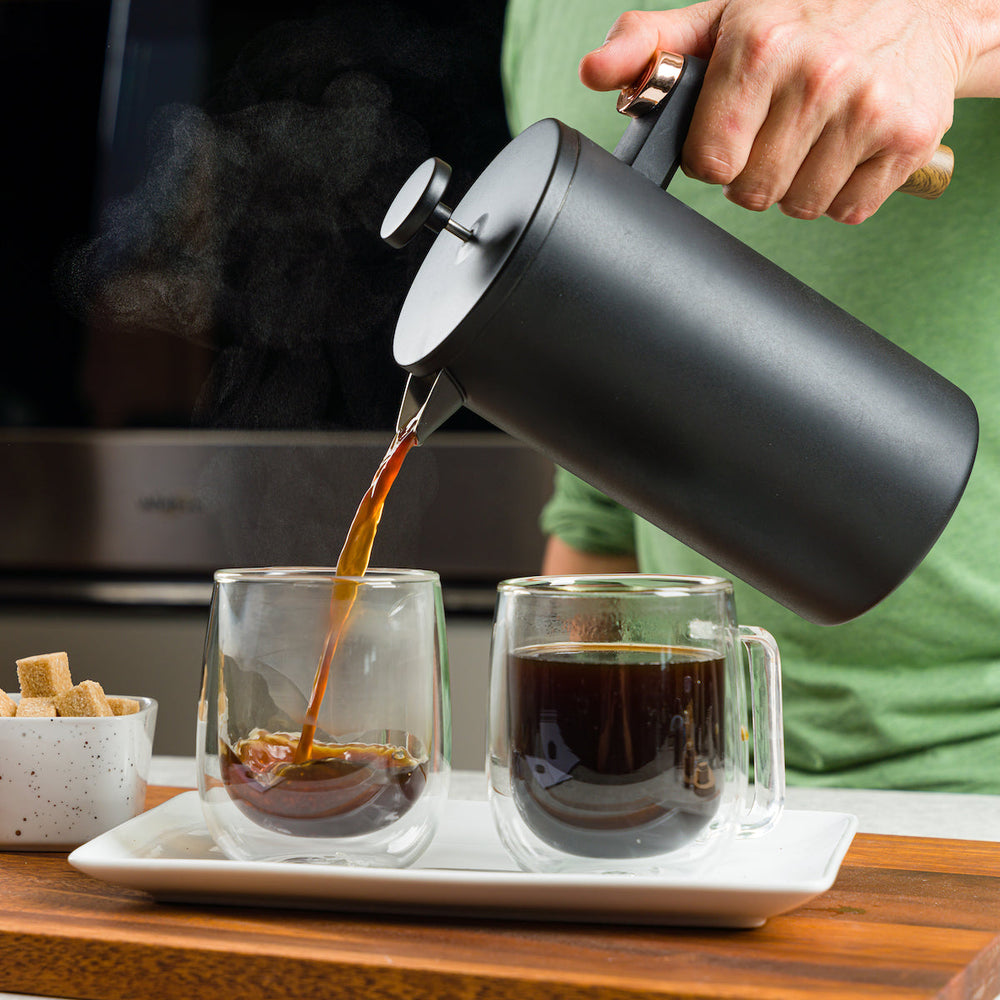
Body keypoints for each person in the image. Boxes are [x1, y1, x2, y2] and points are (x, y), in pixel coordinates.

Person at [501, 1, 1000, 792]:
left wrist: (952, 29)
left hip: (977, 793)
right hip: (700, 786)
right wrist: (564, 780)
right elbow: (597, 476)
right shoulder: (548, 13)